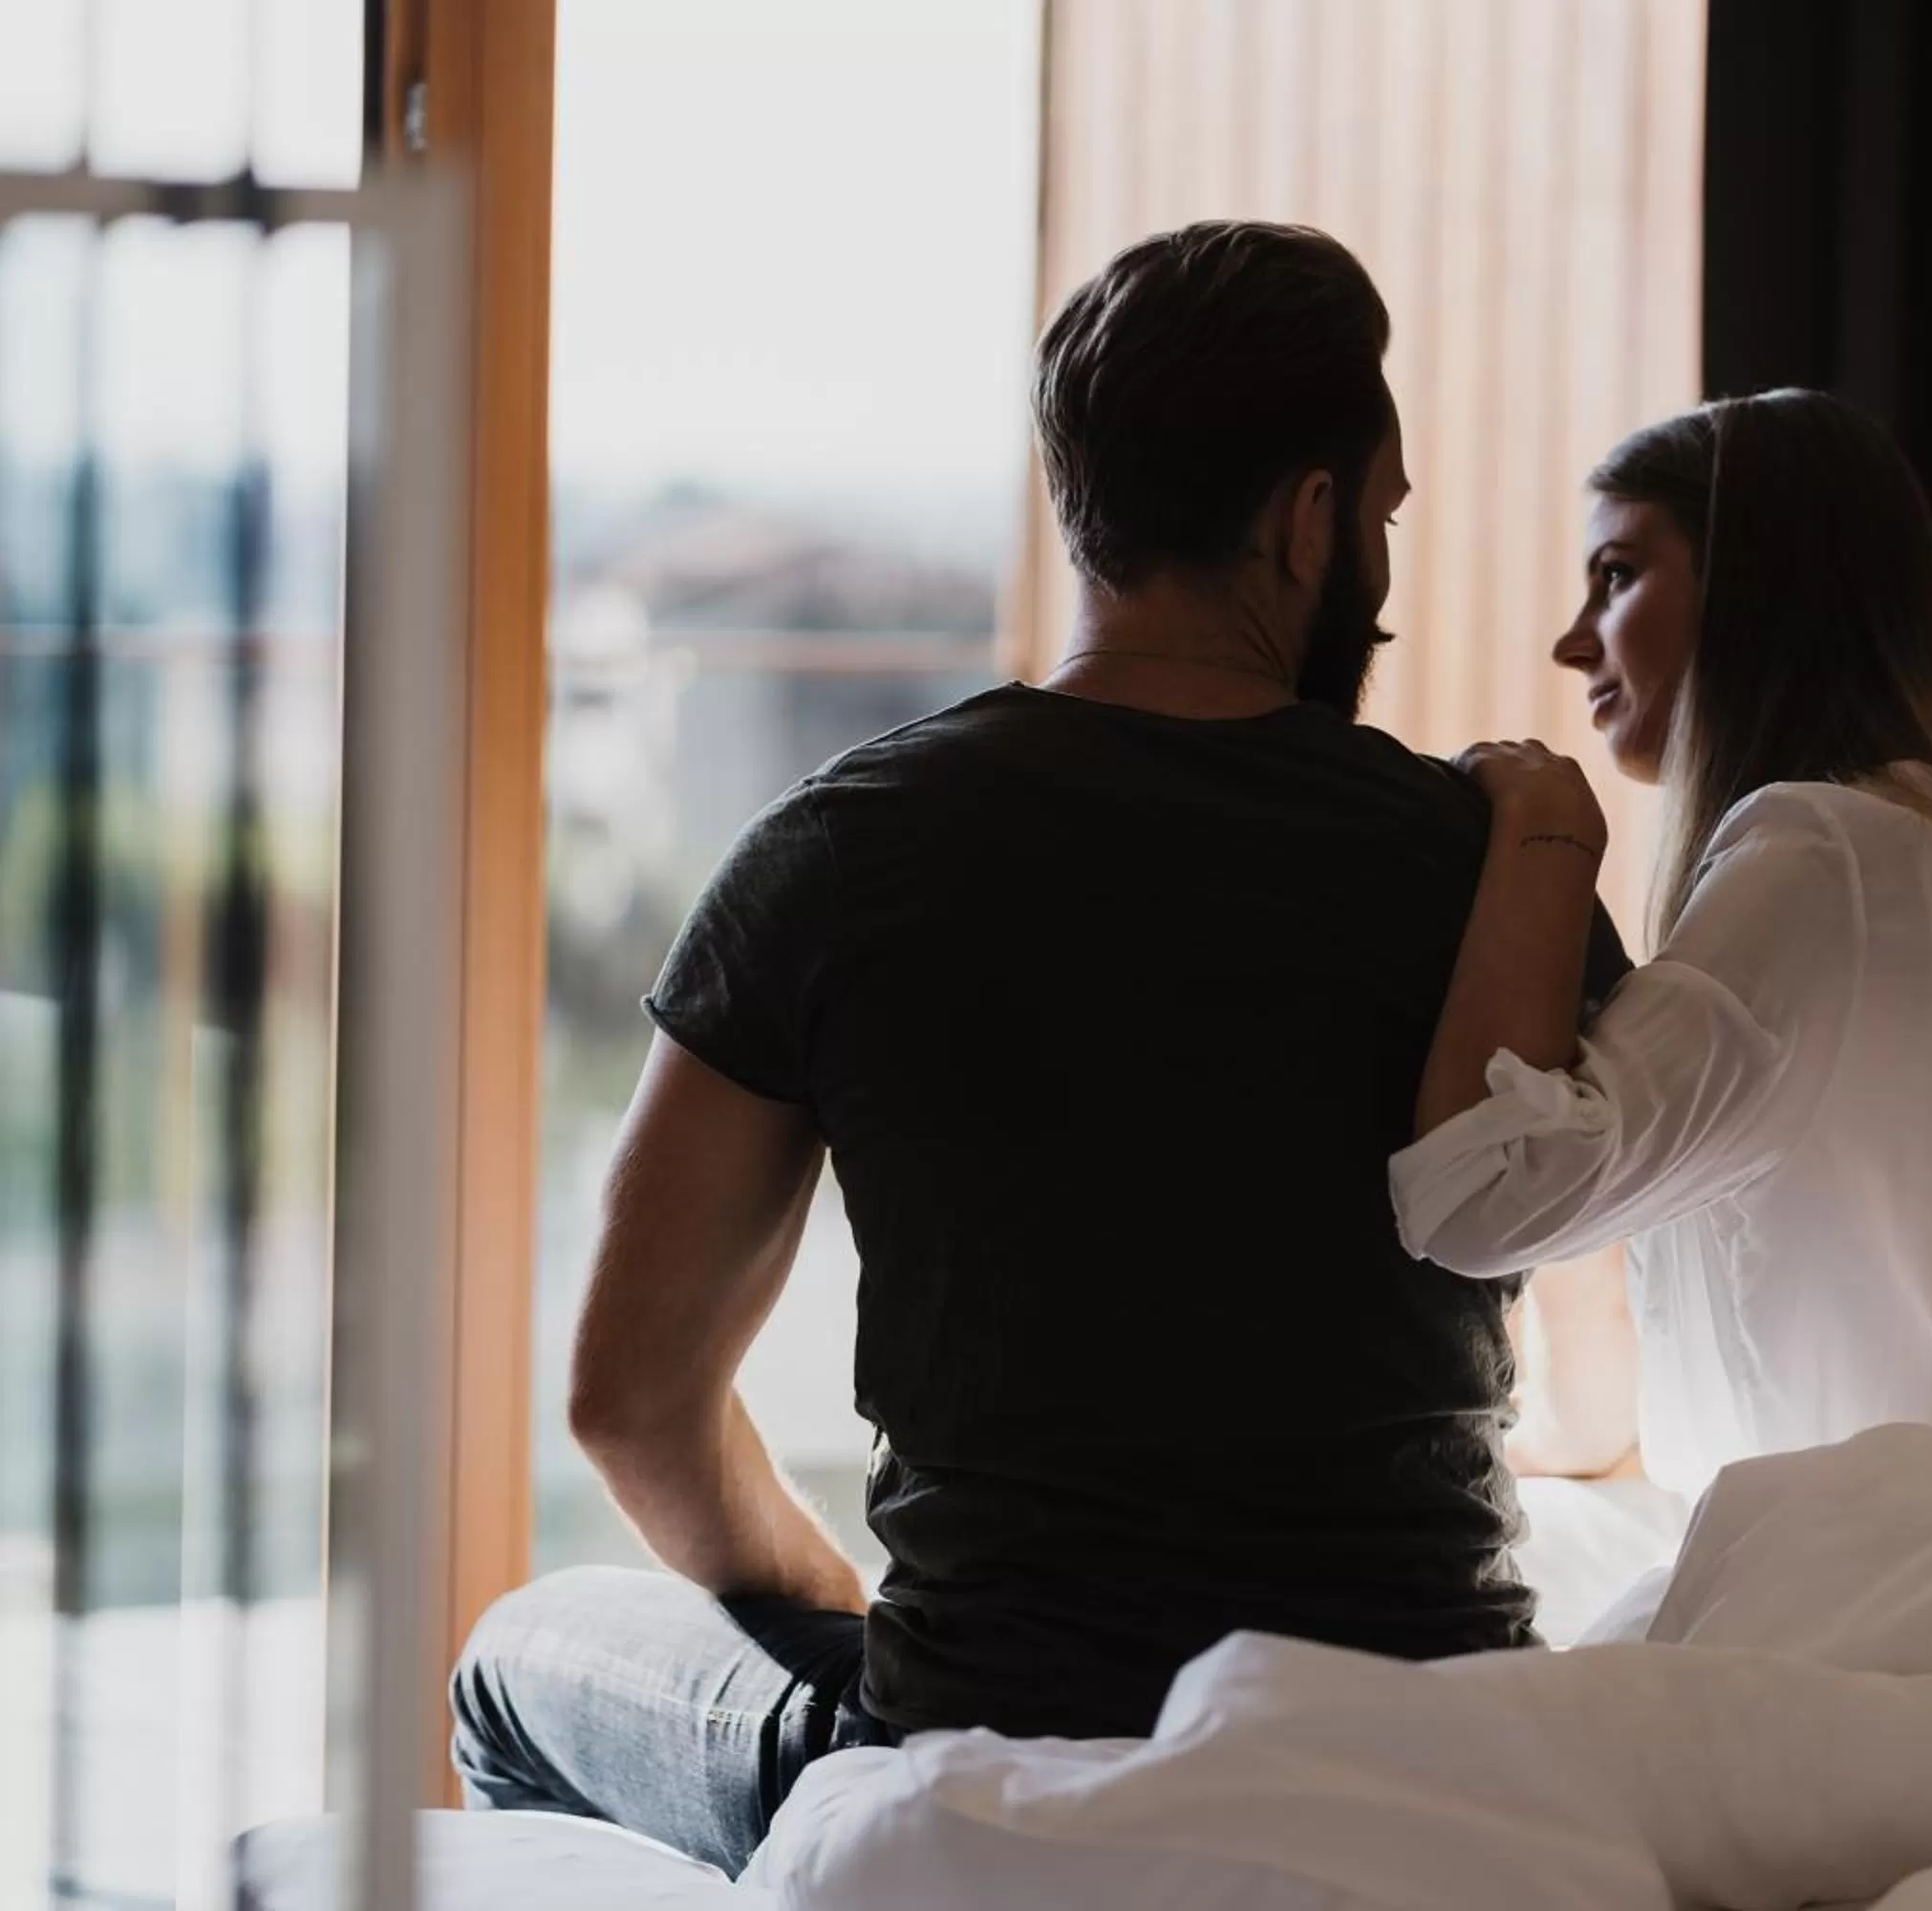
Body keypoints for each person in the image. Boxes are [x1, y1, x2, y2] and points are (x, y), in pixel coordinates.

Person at [451, 222, 1626, 1876]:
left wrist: (832, 1613)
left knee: (514, 1660)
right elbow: (1586, 1309)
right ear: (1305, 524)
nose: (1374, 555)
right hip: (1428, 1719)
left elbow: (629, 1399)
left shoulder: (843, 846)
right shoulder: (1489, 867)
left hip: (987, 1732)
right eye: (1379, 517)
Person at [1390, 389, 1932, 1505]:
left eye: (1616, 574)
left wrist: (1543, 831)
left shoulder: (1817, 853)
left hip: (1873, 1575)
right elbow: (1609, 1393)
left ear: (1754, 588)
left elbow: (1474, 1199)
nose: (1571, 640)